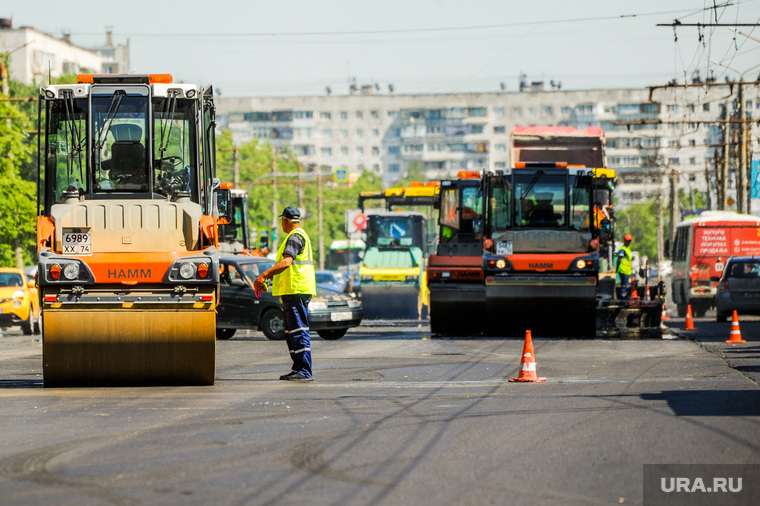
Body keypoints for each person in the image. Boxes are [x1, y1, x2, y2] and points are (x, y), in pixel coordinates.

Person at [254, 206, 317, 382]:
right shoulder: (300, 236)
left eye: (282, 221)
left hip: (296, 291)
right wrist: (273, 281)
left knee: (298, 331)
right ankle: (298, 368)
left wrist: (264, 274)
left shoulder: (294, 237)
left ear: (285, 221)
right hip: (295, 290)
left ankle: (304, 371)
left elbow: (287, 262)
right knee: (292, 332)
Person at [616, 234, 634, 299]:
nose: (628, 242)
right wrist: (617, 268)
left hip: (627, 271)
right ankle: (623, 300)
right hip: (623, 270)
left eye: (629, 241)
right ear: (624, 241)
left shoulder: (628, 249)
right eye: (627, 241)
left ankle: (624, 298)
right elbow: (619, 259)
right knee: (624, 286)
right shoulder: (622, 249)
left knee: (625, 286)